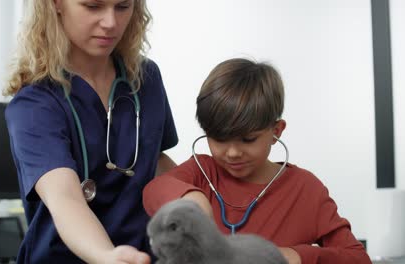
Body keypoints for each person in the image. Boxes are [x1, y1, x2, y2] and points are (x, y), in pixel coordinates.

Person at [142, 58, 372, 264]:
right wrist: (191, 200)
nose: (232, 152)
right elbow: (154, 189)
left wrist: (297, 256)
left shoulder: (306, 190)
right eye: (219, 139)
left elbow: (357, 258)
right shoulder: (201, 173)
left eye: (248, 139)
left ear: (276, 131)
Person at [4, 1, 177, 263]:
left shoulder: (146, 77)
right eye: (93, 6)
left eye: (122, 6)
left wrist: (197, 198)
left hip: (142, 255)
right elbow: (64, 196)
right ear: (57, 4)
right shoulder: (35, 104)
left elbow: (154, 161)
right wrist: (106, 256)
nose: (111, 22)